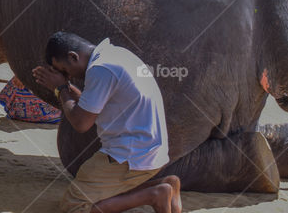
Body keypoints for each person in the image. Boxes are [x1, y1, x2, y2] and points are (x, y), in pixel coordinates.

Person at [33, 32, 181, 213]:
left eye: (64, 70)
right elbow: (91, 106)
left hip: (129, 156)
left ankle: (156, 194)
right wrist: (65, 87)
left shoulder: (101, 69)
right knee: (100, 195)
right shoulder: (115, 55)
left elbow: (81, 123)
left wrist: (61, 88)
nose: (67, 76)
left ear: (73, 57)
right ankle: (165, 184)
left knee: (74, 207)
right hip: (149, 151)